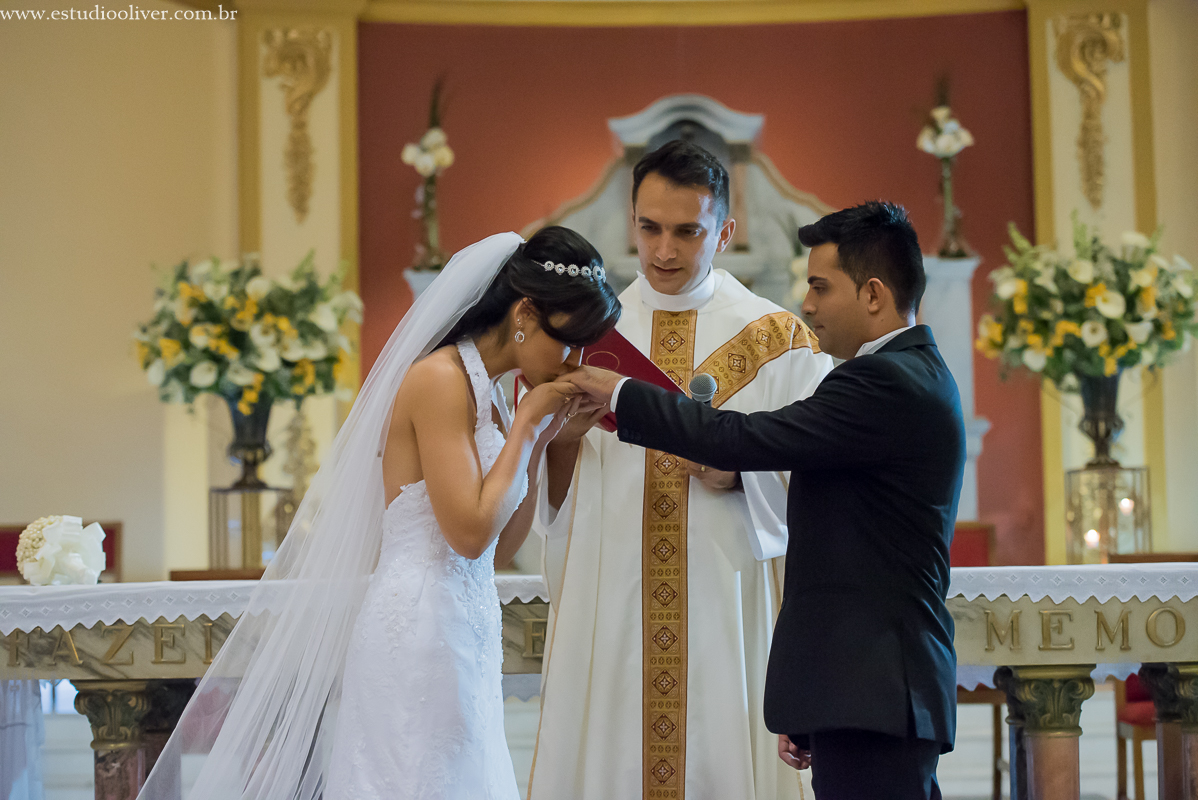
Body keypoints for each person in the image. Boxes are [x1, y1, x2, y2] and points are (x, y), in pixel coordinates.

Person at [137, 227, 620, 800]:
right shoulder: (440, 379)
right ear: (524, 313)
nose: (574, 361)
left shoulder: (493, 391)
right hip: (417, 625)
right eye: (568, 340)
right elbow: (467, 533)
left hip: (466, 620)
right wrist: (524, 426)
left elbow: (501, 545)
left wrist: (541, 440)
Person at [565, 201, 965, 800]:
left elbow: (745, 436)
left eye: (821, 286)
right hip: (859, 691)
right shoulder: (907, 375)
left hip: (876, 690)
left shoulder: (886, 381)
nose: (807, 305)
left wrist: (620, 391)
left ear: (874, 294)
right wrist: (812, 702)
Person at [527, 140, 832, 800]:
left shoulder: (777, 340)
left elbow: (824, 477)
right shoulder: (586, 334)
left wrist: (745, 475)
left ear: (724, 230)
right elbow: (545, 501)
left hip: (726, 599)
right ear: (631, 220)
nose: (664, 252)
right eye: (650, 228)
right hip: (611, 599)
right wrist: (562, 443)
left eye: (687, 232)